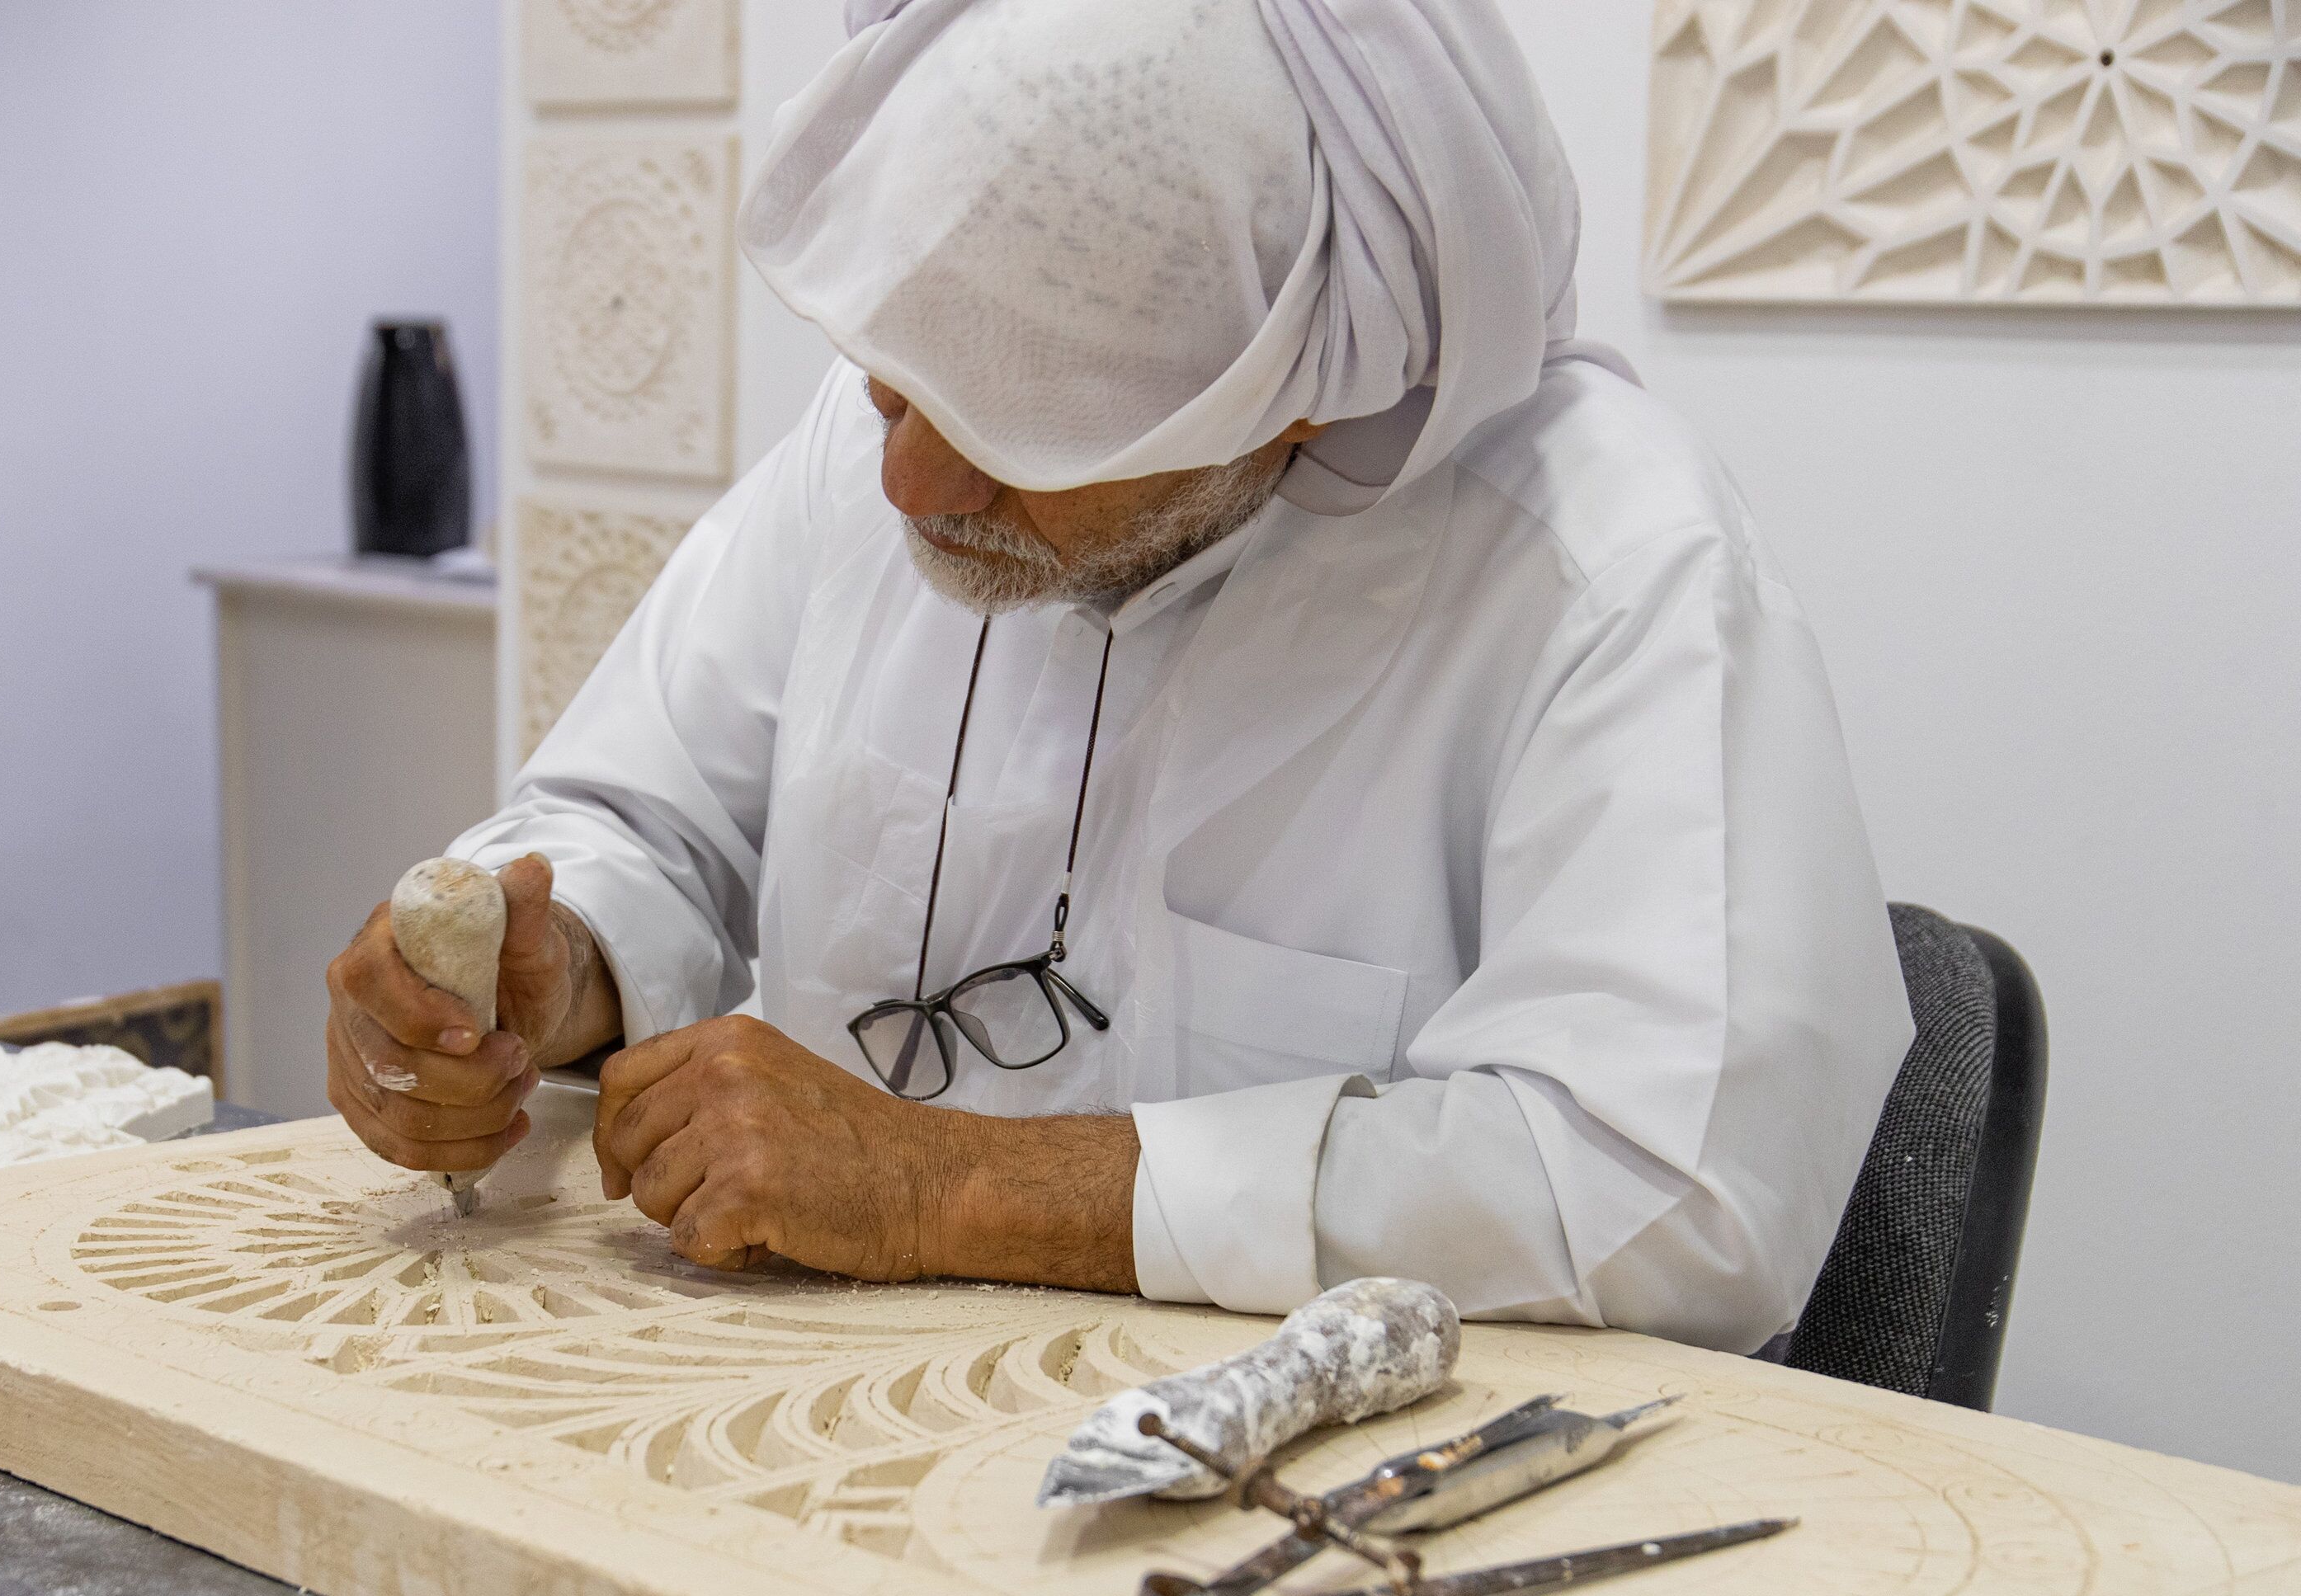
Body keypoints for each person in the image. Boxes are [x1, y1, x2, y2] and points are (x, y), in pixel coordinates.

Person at [323, 0, 1912, 1354]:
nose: (914, 494)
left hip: (1304, 1551)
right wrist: (552, 964)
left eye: (1022, 441)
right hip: (800, 1419)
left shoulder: (1609, 576)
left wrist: (947, 1187)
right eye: (889, 398)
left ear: (1296, 398)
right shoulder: (891, 450)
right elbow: (644, 816)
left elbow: (1676, 1191)